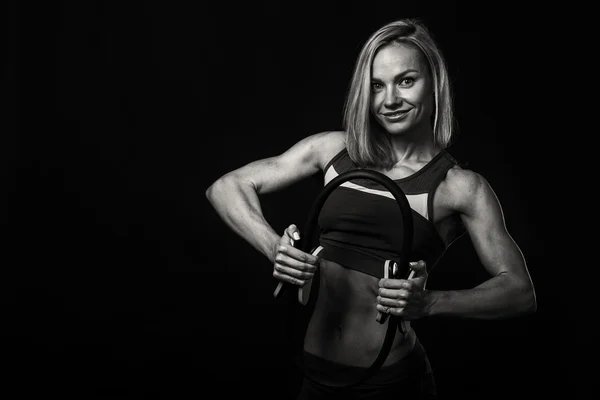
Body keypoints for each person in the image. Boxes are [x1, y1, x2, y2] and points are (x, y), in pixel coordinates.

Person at [205, 18, 536, 399]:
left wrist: (430, 302)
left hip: (393, 385)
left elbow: (519, 292)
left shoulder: (460, 187)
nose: (389, 100)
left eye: (406, 81)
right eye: (377, 86)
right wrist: (272, 246)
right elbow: (226, 187)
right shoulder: (333, 150)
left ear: (435, 84)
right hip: (315, 380)